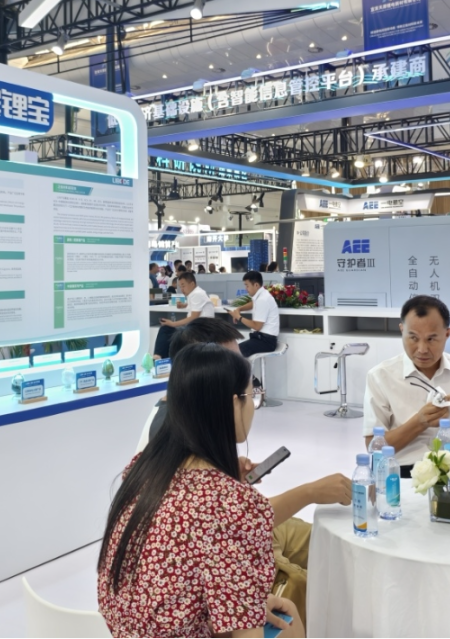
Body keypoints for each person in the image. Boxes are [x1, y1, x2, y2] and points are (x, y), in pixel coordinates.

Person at [136, 319, 351, 629]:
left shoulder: (173, 435)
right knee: (300, 586)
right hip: (203, 577)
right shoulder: (220, 495)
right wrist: (309, 493)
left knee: (324, 539)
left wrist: (227, 474)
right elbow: (232, 520)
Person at [98, 344, 304, 639]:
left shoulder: (141, 470)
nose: (252, 407)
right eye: (251, 397)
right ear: (234, 404)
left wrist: (245, 609)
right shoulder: (235, 505)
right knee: (291, 619)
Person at [364, 296, 450, 475]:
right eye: (413, 338)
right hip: (402, 474)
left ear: (447, 334)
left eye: (431, 339)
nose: (422, 349)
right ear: (402, 330)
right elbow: (373, 446)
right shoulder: (381, 376)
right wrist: (419, 423)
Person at [153, 272, 214, 358]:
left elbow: (194, 317)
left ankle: (158, 358)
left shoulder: (197, 294)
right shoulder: (195, 293)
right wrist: (184, 305)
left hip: (200, 331)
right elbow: (195, 306)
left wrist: (173, 323)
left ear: (192, 284)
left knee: (166, 330)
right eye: (180, 286)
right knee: (169, 333)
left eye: (183, 286)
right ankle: (162, 358)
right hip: (198, 328)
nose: (181, 289)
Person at [229, 270, 280, 357]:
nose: (246, 289)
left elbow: (257, 326)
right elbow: (253, 303)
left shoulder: (263, 299)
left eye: (247, 285)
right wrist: (239, 309)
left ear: (256, 285)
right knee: (233, 350)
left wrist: (238, 317)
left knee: (234, 354)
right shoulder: (262, 294)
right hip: (261, 338)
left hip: (265, 341)